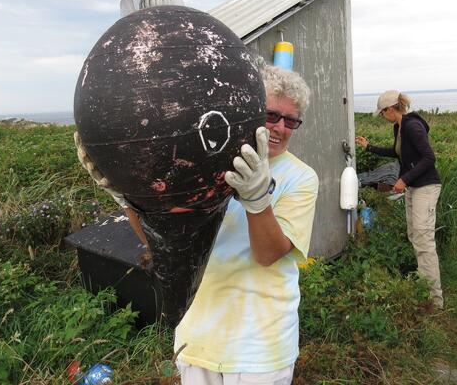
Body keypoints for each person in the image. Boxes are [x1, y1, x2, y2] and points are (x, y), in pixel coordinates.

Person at [76, 66, 318, 385]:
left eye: (291, 120)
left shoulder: (301, 177)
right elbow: (160, 244)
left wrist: (258, 200)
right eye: (271, 114)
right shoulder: (201, 165)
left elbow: (268, 254)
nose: (280, 127)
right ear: (249, 112)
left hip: (258, 349)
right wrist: (125, 195)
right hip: (197, 339)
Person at [355, 90, 443, 309]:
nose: (383, 117)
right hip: (414, 186)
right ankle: (424, 282)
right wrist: (370, 147)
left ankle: (435, 300)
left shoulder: (412, 127)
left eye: (382, 113)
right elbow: (398, 153)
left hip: (426, 186)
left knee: (423, 239)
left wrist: (404, 179)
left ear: (390, 109)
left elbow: (429, 158)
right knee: (414, 235)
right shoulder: (399, 127)